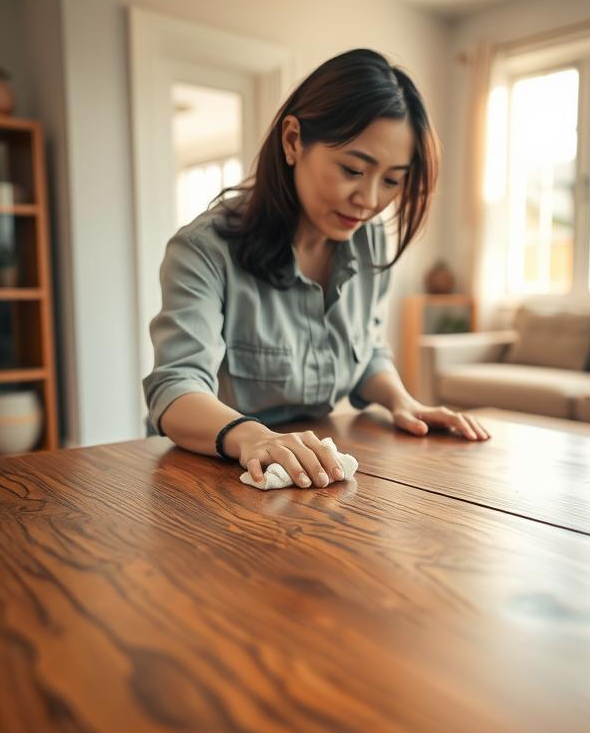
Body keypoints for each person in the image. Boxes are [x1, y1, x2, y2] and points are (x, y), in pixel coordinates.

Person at [143, 48, 489, 488]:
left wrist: (401, 401)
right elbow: (175, 388)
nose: (368, 199)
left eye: (391, 180)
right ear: (292, 141)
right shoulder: (204, 250)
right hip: (209, 469)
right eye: (352, 169)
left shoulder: (369, 240)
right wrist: (252, 436)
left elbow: (365, 349)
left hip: (310, 473)